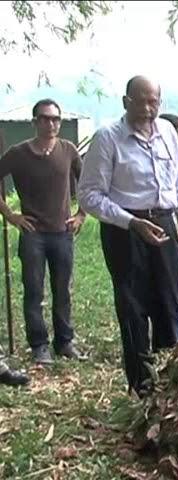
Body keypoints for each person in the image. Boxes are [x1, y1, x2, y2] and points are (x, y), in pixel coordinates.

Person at [78, 76, 178, 397]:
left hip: (165, 226)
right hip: (125, 233)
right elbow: (89, 196)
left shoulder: (167, 135)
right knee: (133, 308)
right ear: (126, 102)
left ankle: (173, 381)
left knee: (171, 302)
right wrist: (132, 223)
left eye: (154, 102)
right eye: (141, 101)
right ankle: (142, 385)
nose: (148, 109)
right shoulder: (108, 139)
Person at [0, 99, 85, 365]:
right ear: (35, 122)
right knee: (34, 291)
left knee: (63, 289)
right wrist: (10, 215)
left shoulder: (68, 150)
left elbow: (90, 185)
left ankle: (64, 341)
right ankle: (39, 345)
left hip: (62, 232)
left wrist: (81, 214)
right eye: (46, 118)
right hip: (33, 234)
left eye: (56, 119)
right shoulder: (18, 153)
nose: (51, 124)